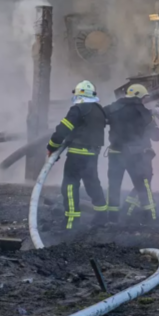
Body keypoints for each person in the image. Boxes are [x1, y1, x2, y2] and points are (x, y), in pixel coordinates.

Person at [47, 80, 108, 229]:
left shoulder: (78, 109)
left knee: (69, 185)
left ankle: (71, 222)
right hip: (93, 154)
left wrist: (52, 146)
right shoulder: (99, 110)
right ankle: (102, 217)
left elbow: (62, 130)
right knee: (92, 184)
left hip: (77, 154)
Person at [104, 84, 159, 224]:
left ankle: (112, 219)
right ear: (140, 97)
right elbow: (156, 136)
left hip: (115, 153)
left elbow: (101, 119)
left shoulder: (112, 108)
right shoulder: (144, 112)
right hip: (135, 155)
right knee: (143, 186)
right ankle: (150, 218)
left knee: (114, 186)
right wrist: (153, 116)